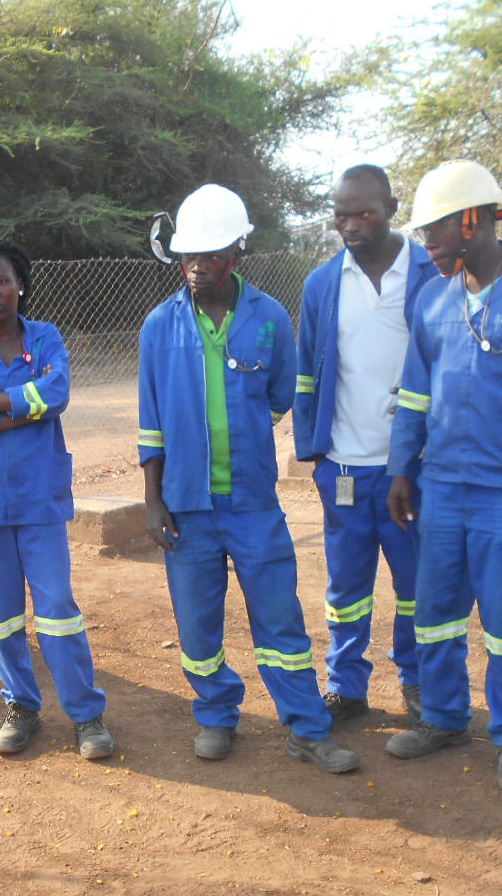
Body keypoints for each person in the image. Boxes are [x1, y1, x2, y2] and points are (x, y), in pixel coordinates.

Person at [140, 183, 361, 774]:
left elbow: (283, 396)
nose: (196, 267)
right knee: (197, 624)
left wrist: (241, 434)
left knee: (279, 619)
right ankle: (216, 714)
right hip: (185, 506)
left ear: (236, 253)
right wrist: (153, 499)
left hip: (253, 504)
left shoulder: (268, 321)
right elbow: (151, 424)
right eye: (188, 255)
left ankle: (307, 728)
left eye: (209, 256)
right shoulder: (159, 327)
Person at [382, 160, 502, 792]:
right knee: (434, 612)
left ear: (473, 221)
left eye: (434, 229)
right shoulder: (433, 298)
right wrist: (401, 470)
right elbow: (414, 394)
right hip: (440, 489)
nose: (426, 243)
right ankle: (444, 718)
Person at [0, 235, 114, 760]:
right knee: (1, 615)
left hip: (40, 499)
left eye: (1, 281)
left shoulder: (46, 337)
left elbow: (56, 394)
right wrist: (19, 414)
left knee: (58, 610)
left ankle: (86, 714)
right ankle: (22, 708)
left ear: (20, 286)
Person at [293, 164, 439, 725]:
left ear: (392, 208)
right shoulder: (324, 284)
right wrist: (316, 454)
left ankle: (418, 681)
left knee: (415, 587)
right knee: (346, 585)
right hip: (346, 468)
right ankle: (346, 684)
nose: (350, 225)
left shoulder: (431, 274)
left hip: (412, 469)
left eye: (364, 213)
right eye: (341, 215)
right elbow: (308, 372)